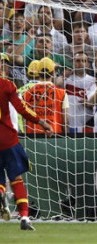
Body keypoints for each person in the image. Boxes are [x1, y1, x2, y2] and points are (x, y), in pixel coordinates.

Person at [0, 58, 53, 231]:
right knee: (16, 178)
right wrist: (41, 122)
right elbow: (22, 108)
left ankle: (1, 195)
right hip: (8, 138)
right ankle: (24, 216)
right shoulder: (7, 85)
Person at [22, 57, 69, 134]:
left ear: (38, 72)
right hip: (55, 137)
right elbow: (65, 121)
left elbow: (24, 121)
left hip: (32, 137)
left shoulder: (26, 94)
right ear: (53, 73)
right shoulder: (62, 93)